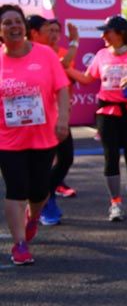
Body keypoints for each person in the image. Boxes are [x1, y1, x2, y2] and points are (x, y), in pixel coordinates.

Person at [0, 5, 70, 265]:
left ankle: (33, 218)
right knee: (16, 189)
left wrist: (63, 119)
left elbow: (62, 88)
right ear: (0, 30)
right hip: (7, 138)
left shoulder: (45, 55)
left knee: (39, 190)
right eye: (7, 23)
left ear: (25, 27)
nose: (13, 26)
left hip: (43, 136)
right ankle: (19, 243)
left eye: (17, 21)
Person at [68, 15, 127, 221]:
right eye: (102, 31)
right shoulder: (101, 55)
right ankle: (115, 203)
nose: (103, 35)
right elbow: (87, 79)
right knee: (110, 156)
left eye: (107, 31)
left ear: (121, 34)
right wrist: (65, 68)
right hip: (106, 113)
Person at [27, 16, 80, 224]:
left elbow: (64, 66)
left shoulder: (53, 53)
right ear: (34, 33)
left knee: (65, 158)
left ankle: (45, 195)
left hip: (55, 117)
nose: (55, 35)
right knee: (34, 167)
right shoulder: (19, 53)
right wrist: (75, 40)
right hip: (29, 122)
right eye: (50, 30)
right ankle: (37, 206)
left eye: (57, 31)